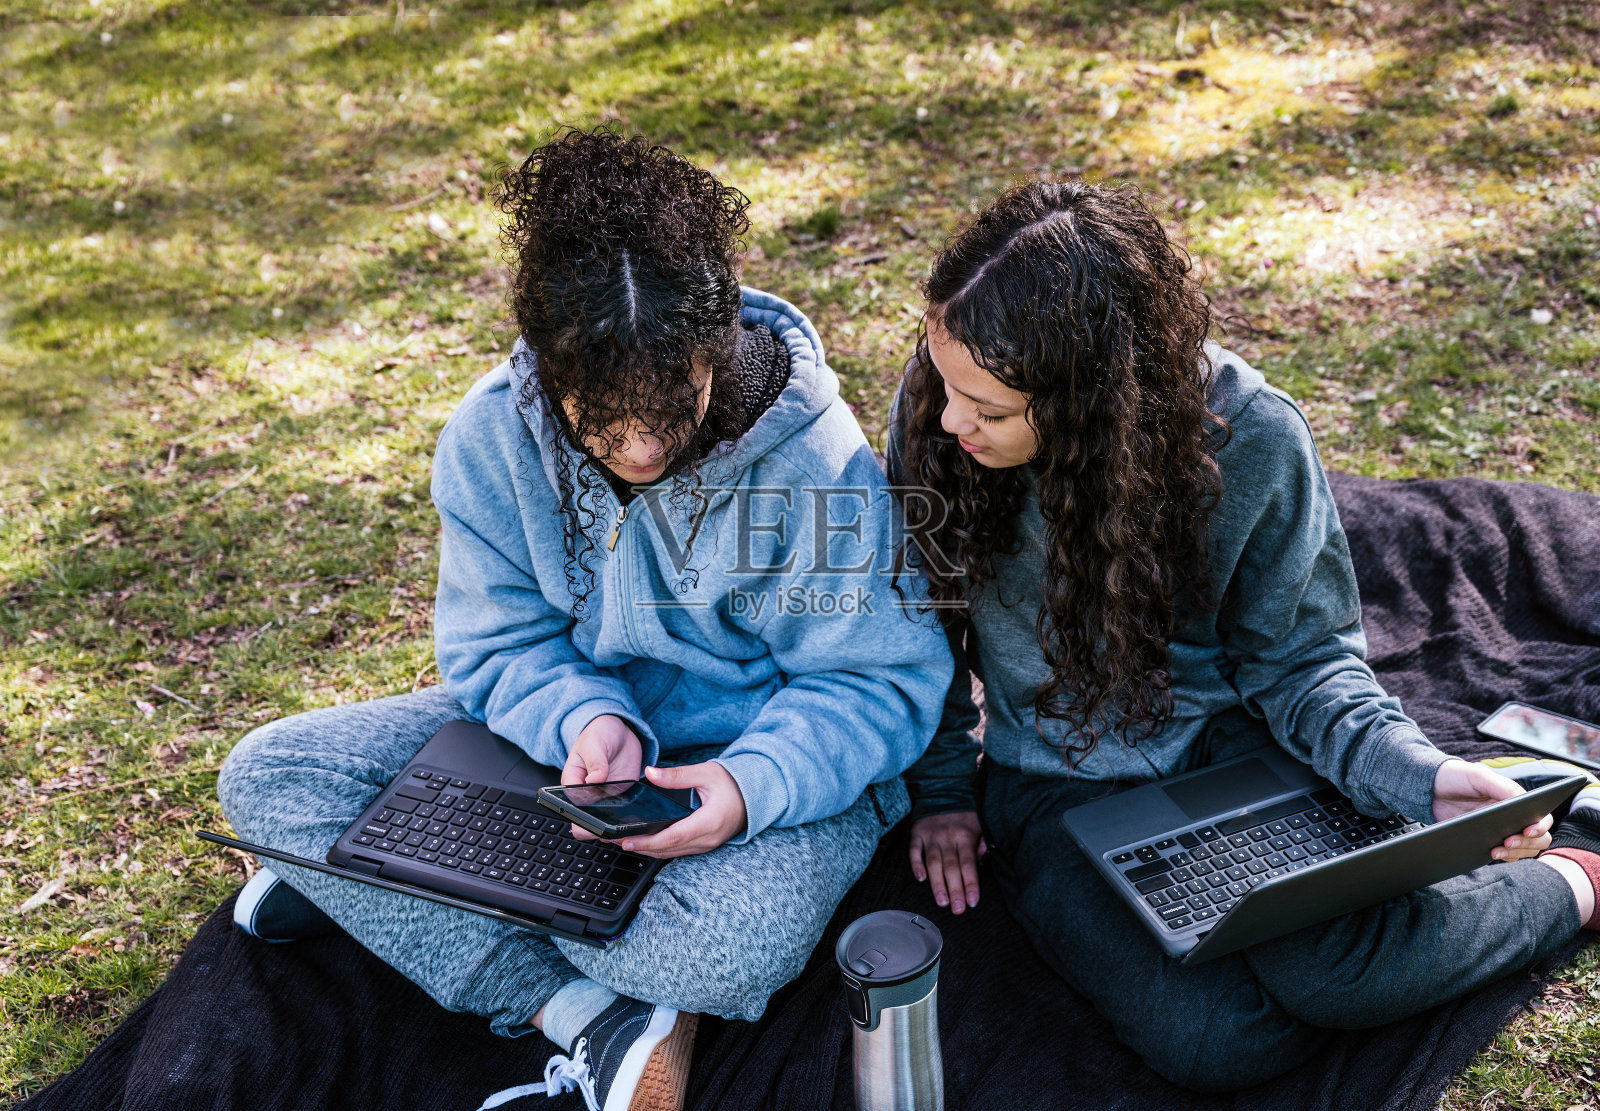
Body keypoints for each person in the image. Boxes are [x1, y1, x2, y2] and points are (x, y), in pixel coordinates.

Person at [218, 128, 952, 1111]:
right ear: (545, 364)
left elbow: (876, 682)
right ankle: (580, 1012)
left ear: (716, 344)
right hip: (561, 762)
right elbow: (499, 643)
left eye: (672, 407)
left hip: (766, 773)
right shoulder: (490, 436)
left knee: (710, 957)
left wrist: (746, 784)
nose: (642, 448)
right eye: (601, 416)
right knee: (267, 775)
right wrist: (583, 720)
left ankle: (394, 890)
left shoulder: (818, 461)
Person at [888, 179, 1600, 1091]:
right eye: (949, 386)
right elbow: (919, 621)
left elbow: (1303, 660)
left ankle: (1573, 882)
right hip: (1052, 785)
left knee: (1341, 974)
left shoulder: (1253, 436)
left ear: (1091, 402)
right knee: (1217, 1042)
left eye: (987, 408)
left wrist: (1417, 775)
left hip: (1238, 748)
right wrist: (947, 788)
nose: (952, 419)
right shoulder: (936, 410)